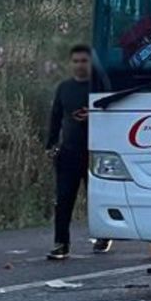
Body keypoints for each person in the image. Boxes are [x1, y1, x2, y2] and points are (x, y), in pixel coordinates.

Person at [45, 45, 112, 259]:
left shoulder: (100, 87)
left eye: (84, 61)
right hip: (69, 152)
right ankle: (60, 243)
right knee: (63, 199)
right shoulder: (64, 88)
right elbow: (56, 117)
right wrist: (51, 144)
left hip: (95, 152)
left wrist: (93, 116)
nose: (80, 65)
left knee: (97, 197)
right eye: (76, 61)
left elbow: (112, 115)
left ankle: (104, 235)